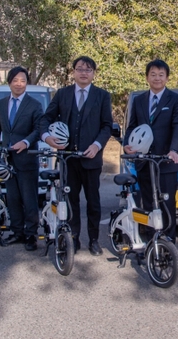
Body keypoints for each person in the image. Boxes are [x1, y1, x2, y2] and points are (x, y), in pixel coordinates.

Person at [41, 56, 113, 256]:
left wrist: (97, 145)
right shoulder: (62, 94)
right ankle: (73, 238)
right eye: (80, 68)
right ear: (73, 72)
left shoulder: (102, 96)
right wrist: (47, 137)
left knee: (93, 201)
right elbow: (46, 118)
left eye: (88, 69)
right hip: (67, 158)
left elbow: (107, 126)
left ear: (93, 74)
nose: (83, 72)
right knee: (70, 200)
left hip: (91, 158)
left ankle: (94, 240)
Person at [123, 59, 178, 243]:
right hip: (144, 162)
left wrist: (174, 150)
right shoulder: (139, 100)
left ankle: (167, 246)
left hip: (165, 162)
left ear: (166, 78)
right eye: (153, 74)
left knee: (166, 205)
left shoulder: (176, 100)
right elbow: (132, 126)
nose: (157, 78)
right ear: (147, 77)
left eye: (161, 75)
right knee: (149, 204)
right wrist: (127, 144)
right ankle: (152, 244)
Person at [0, 66, 43, 252]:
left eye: (22, 80)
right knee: (12, 198)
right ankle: (17, 232)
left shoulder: (35, 105)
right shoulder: (0, 104)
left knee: (29, 199)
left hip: (27, 159)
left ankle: (31, 235)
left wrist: (26, 142)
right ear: (9, 82)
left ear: (27, 83)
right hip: (7, 160)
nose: (19, 84)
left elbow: (38, 130)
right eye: (15, 80)